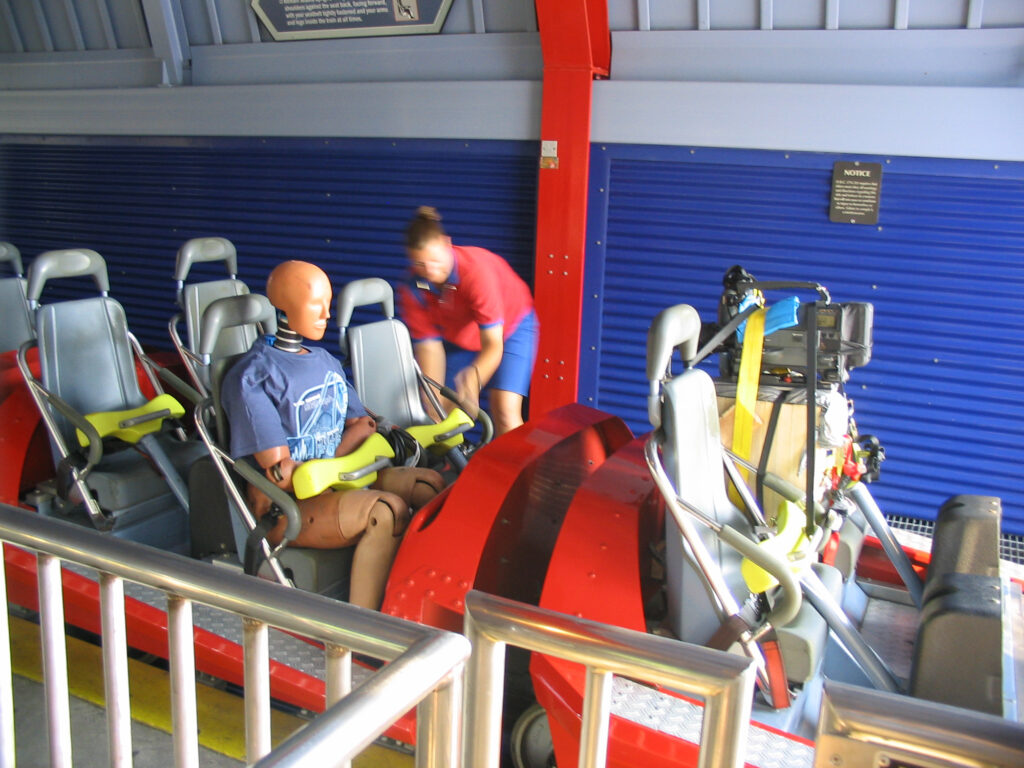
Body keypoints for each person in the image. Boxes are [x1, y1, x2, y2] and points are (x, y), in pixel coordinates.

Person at [220, 260, 444, 610]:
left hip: (336, 479)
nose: (327, 313)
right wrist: (341, 463)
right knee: (386, 509)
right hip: (285, 510)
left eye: (328, 302)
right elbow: (282, 477)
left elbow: (363, 424)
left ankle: (419, 604)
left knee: (430, 484)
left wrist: (332, 467)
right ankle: (364, 634)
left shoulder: (325, 360)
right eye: (315, 304)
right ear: (284, 306)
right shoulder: (253, 376)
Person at [397, 206, 539, 436]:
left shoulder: (476, 272)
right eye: (421, 264)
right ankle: (446, 468)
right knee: (441, 409)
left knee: (504, 410)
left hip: (511, 330)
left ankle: (521, 471)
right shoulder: (412, 288)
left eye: (435, 260)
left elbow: (493, 345)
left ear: (447, 243)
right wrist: (433, 404)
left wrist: (474, 379)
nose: (431, 271)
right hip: (462, 337)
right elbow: (430, 350)